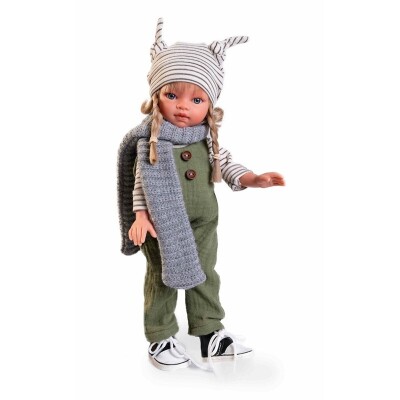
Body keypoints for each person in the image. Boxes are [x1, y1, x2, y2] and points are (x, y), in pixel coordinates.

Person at [117, 18, 285, 371]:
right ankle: (161, 335)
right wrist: (141, 216)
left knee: (206, 272)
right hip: (160, 224)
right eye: (172, 95)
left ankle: (210, 332)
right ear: (156, 97)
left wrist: (253, 179)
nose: (183, 106)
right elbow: (139, 180)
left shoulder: (206, 140)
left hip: (204, 221)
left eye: (196, 98)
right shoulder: (152, 141)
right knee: (162, 276)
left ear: (210, 104)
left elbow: (227, 163)